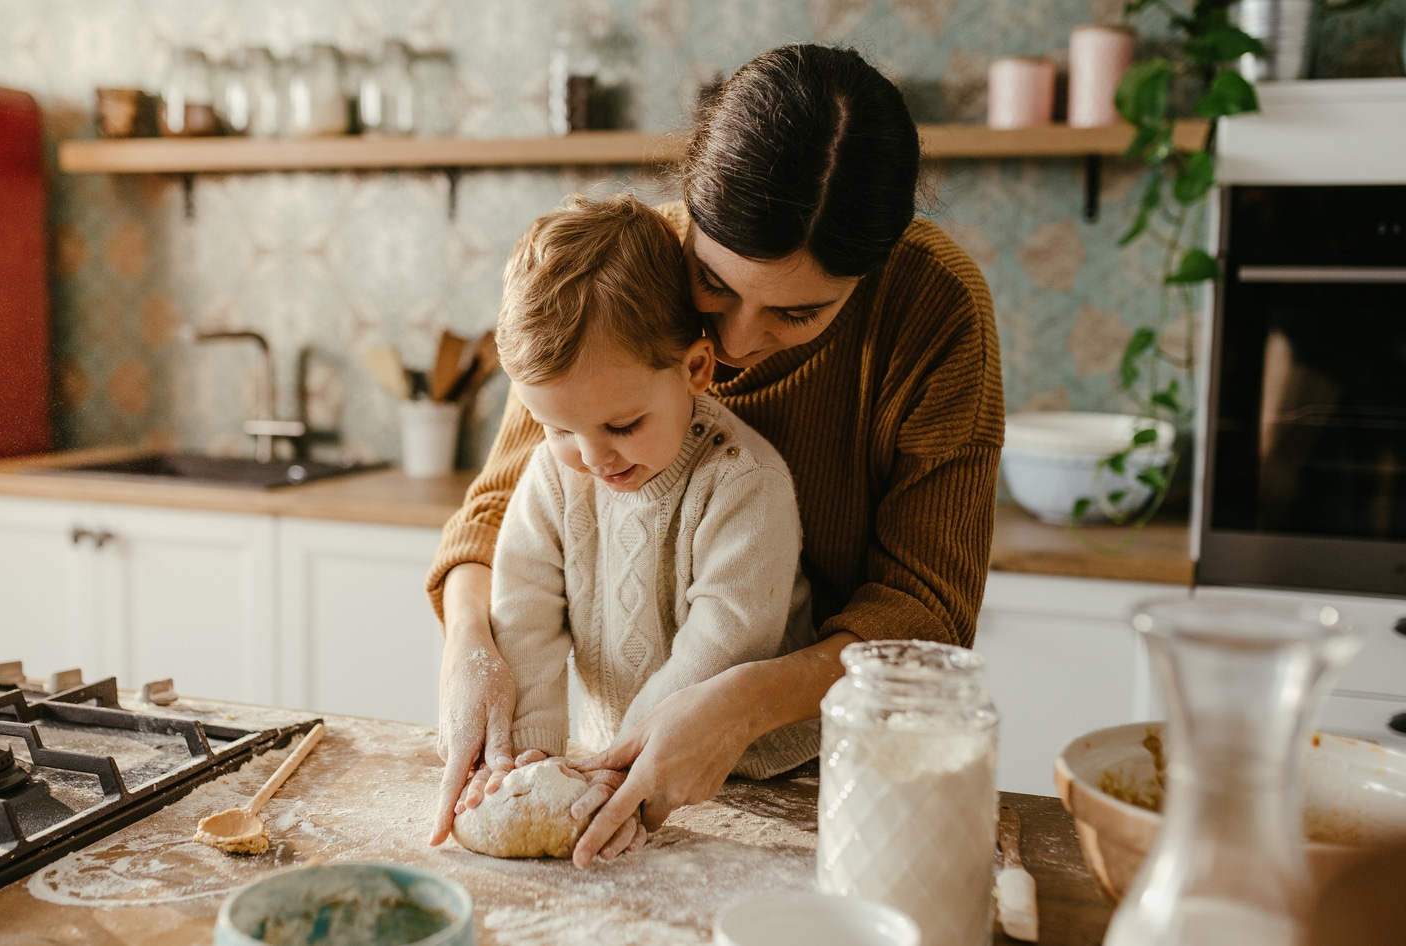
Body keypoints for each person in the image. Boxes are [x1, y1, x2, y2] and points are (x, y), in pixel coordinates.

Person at [428, 42, 1005, 867]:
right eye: (715, 284)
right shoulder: (625, 273)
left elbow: (927, 614)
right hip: (611, 755)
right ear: (689, 210)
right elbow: (500, 514)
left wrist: (738, 703)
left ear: (870, 273)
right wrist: (470, 650)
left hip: (826, 767)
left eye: (797, 315)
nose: (732, 345)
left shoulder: (934, 307)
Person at [458, 193, 821, 859]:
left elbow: (721, 644)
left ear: (696, 370)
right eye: (560, 427)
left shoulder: (744, 483)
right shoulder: (552, 473)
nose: (594, 457)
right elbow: (525, 610)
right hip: (612, 763)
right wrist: (531, 761)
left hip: (770, 781)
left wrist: (619, 772)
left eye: (622, 425)